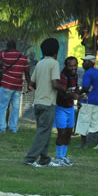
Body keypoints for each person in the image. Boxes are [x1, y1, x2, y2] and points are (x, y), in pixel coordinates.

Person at [23, 38, 62, 166]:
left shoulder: (40, 63)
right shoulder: (54, 63)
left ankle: (45, 159)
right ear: (56, 51)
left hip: (38, 103)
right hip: (48, 103)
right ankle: (29, 159)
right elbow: (55, 83)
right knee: (43, 133)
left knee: (43, 132)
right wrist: (66, 91)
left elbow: (32, 84)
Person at [0, 40, 31, 133]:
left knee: (3, 107)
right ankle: (13, 128)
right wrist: (29, 84)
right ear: (15, 47)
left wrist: (4, 50)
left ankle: (2, 128)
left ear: (7, 47)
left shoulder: (5, 55)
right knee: (16, 108)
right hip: (17, 87)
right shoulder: (23, 58)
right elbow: (27, 73)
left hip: (6, 85)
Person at [54, 57, 80, 165]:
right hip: (61, 108)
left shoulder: (75, 75)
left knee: (69, 133)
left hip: (70, 108)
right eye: (71, 66)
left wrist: (79, 97)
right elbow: (61, 92)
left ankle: (64, 156)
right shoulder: (63, 76)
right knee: (62, 133)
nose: (73, 67)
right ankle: (59, 157)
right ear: (66, 66)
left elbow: (76, 88)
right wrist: (73, 95)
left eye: (75, 65)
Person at [75, 54, 98, 149]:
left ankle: (83, 144)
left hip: (88, 101)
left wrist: (78, 94)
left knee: (83, 122)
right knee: (95, 123)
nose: (83, 63)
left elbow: (85, 87)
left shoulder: (88, 73)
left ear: (92, 63)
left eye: (86, 61)